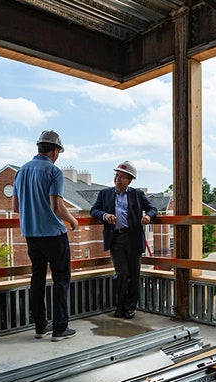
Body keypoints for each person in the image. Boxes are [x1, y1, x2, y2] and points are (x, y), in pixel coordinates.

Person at [13, 130, 79, 341]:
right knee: (61, 279)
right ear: (54, 151)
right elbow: (57, 206)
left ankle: (41, 326)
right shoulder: (53, 172)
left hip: (31, 235)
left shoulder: (21, 171)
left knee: (37, 278)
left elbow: (16, 207)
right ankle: (60, 328)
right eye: (58, 151)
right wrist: (73, 220)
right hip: (53, 234)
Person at [90, 161, 158, 319]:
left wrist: (148, 216)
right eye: (116, 175)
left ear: (130, 180)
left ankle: (130, 307)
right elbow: (94, 210)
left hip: (133, 238)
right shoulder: (105, 193)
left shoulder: (137, 194)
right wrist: (105, 216)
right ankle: (119, 305)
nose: (117, 179)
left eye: (122, 177)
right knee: (121, 273)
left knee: (134, 274)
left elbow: (152, 208)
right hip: (116, 238)